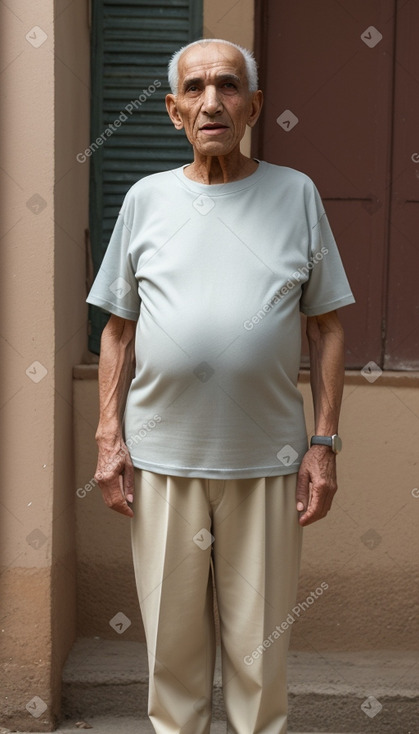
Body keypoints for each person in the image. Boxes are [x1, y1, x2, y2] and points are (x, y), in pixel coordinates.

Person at [87, 38, 355, 734]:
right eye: (197, 89)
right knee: (170, 655)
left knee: (258, 655)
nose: (213, 102)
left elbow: (326, 328)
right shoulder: (146, 201)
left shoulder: (294, 194)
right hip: (161, 459)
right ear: (174, 111)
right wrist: (109, 440)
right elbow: (117, 331)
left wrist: (322, 444)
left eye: (229, 86)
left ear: (254, 105)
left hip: (265, 460)